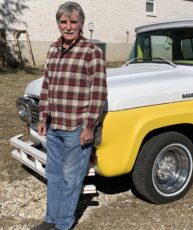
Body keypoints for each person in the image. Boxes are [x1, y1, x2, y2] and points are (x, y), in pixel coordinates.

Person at [32, 2, 107, 230]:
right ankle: (51, 220)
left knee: (70, 179)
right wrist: (43, 118)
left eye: (73, 22)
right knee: (54, 175)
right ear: (58, 24)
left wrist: (89, 127)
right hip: (55, 126)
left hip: (77, 129)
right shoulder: (53, 50)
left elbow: (99, 92)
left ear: (81, 24)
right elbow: (47, 87)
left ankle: (63, 224)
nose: (68, 27)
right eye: (64, 22)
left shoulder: (91, 52)